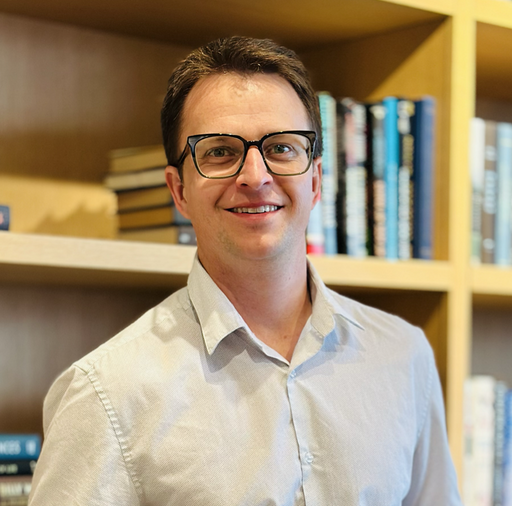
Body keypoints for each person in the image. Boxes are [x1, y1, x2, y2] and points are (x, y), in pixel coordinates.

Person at [29, 36, 463, 505]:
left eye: (281, 148)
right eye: (219, 152)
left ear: (315, 179)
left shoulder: (403, 357)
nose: (255, 177)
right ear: (179, 191)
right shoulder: (107, 393)